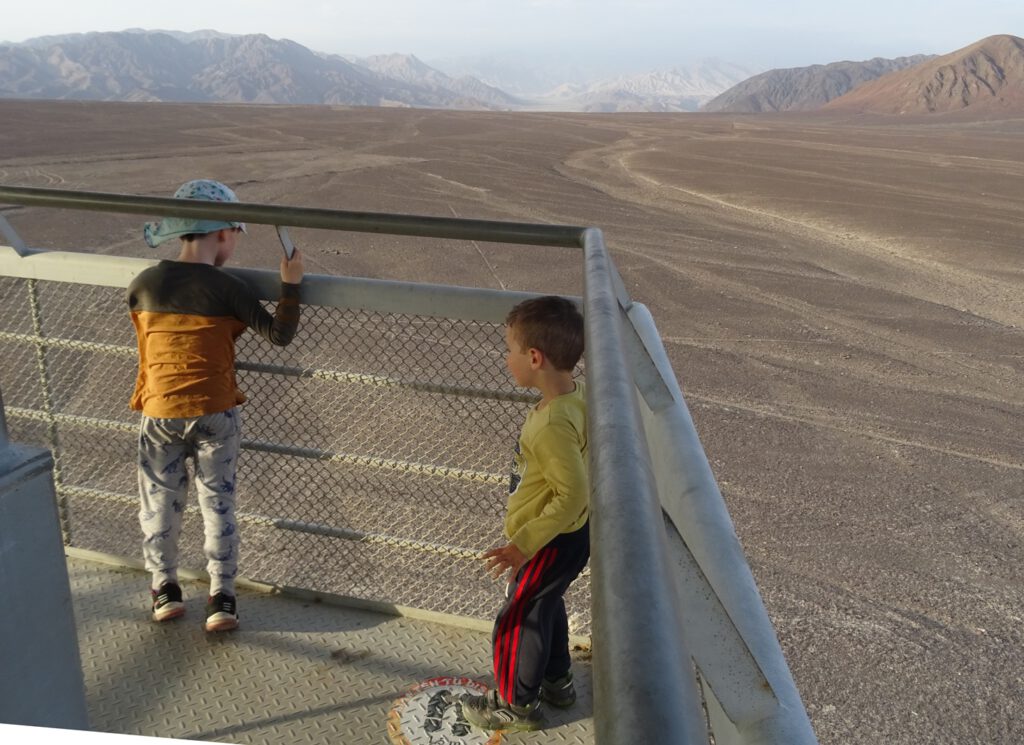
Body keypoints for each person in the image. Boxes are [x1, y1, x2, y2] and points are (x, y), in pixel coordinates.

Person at [126, 179, 304, 632]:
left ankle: (164, 589)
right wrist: (291, 285)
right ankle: (221, 597)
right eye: (236, 237)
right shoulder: (230, 287)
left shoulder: (144, 284)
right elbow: (280, 334)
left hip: (161, 409)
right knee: (217, 504)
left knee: (159, 504)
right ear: (223, 233)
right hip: (215, 412)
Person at [460, 295, 589, 732]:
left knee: (518, 617)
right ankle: (557, 680)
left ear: (535, 357)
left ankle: (514, 705)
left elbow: (572, 496)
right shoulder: (577, 397)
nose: (506, 357)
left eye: (510, 349)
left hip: (548, 542)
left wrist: (523, 547)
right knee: (544, 605)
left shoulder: (552, 424)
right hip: (565, 539)